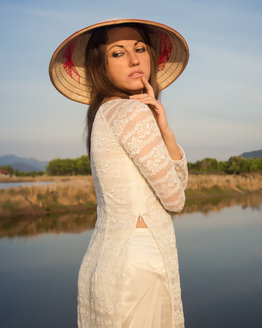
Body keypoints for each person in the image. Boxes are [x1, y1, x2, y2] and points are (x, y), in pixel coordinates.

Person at [49, 19, 190, 327]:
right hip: (139, 267)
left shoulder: (103, 113)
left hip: (104, 260)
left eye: (140, 49)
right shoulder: (131, 112)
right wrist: (162, 129)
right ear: (100, 63)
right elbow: (176, 199)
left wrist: (164, 128)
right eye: (117, 53)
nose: (134, 59)